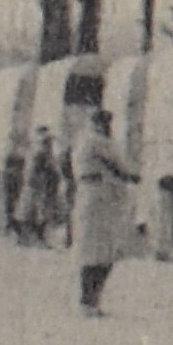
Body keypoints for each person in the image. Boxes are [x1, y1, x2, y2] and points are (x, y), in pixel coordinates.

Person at [71, 104, 141, 316]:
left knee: (97, 253)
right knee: (98, 254)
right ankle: (88, 301)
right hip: (99, 199)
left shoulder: (87, 142)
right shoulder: (97, 142)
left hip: (97, 199)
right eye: (103, 121)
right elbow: (126, 169)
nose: (106, 125)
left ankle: (90, 301)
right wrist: (133, 174)